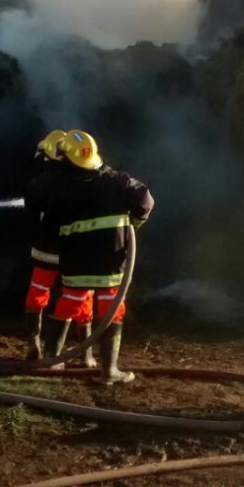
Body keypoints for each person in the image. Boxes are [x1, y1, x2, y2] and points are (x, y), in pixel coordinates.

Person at [41, 130, 153, 384]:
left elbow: (50, 226)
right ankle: (109, 371)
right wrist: (133, 223)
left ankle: (53, 362)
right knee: (111, 310)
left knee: (67, 304)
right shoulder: (119, 181)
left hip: (76, 264)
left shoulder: (62, 189)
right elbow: (146, 200)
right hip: (111, 264)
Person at [23, 130, 96, 367]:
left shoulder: (37, 183)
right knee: (80, 299)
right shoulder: (83, 181)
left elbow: (32, 220)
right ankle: (86, 354)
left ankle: (34, 345)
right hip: (75, 254)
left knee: (37, 293)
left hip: (45, 250)